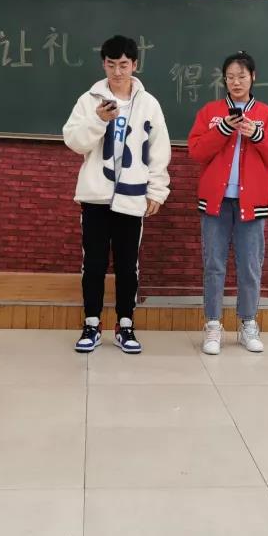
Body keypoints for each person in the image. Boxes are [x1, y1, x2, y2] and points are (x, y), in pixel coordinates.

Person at [62, 35, 171, 354]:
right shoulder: (89, 100)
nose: (118, 72)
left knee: (127, 265)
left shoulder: (149, 104)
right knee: (94, 264)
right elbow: (74, 142)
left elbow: (159, 150)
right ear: (103, 64)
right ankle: (91, 323)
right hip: (95, 197)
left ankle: (125, 325)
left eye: (124, 65)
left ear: (135, 64)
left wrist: (157, 190)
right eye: (111, 65)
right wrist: (98, 120)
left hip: (132, 197)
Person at [188, 52, 268, 355]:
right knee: (214, 265)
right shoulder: (211, 112)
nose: (236, 82)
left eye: (242, 76)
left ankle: (248, 325)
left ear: (253, 77)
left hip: (252, 203)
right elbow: (196, 151)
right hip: (215, 202)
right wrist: (222, 129)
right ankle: (213, 325)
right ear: (224, 80)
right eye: (230, 77)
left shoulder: (267, 115)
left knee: (250, 266)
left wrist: (257, 134)